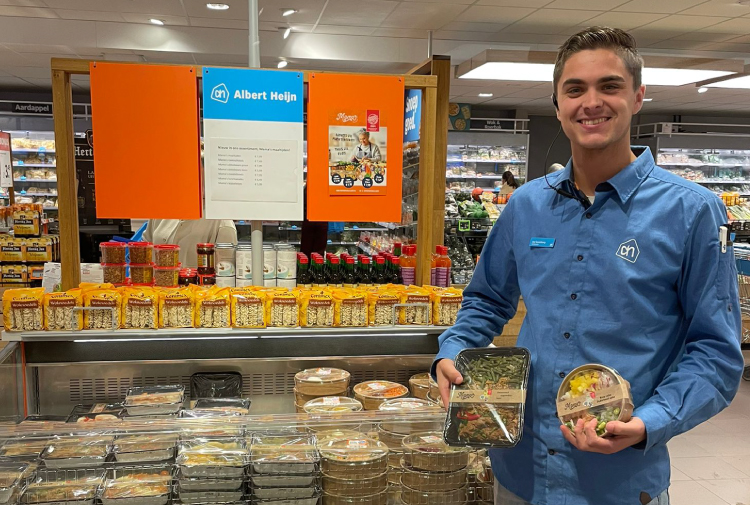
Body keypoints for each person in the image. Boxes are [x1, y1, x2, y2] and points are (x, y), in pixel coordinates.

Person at [433, 26, 743, 505]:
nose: (591, 102)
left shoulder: (692, 212)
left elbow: (715, 352)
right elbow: (487, 300)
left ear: (637, 97)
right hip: (520, 473)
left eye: (609, 86)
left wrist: (650, 422)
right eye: (575, 89)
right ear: (557, 104)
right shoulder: (526, 205)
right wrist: (454, 348)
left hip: (618, 481)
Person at [143, 219, 237, 267]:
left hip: (195, 296)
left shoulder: (222, 224)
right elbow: (144, 253)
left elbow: (225, 275)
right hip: (154, 295)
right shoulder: (162, 209)